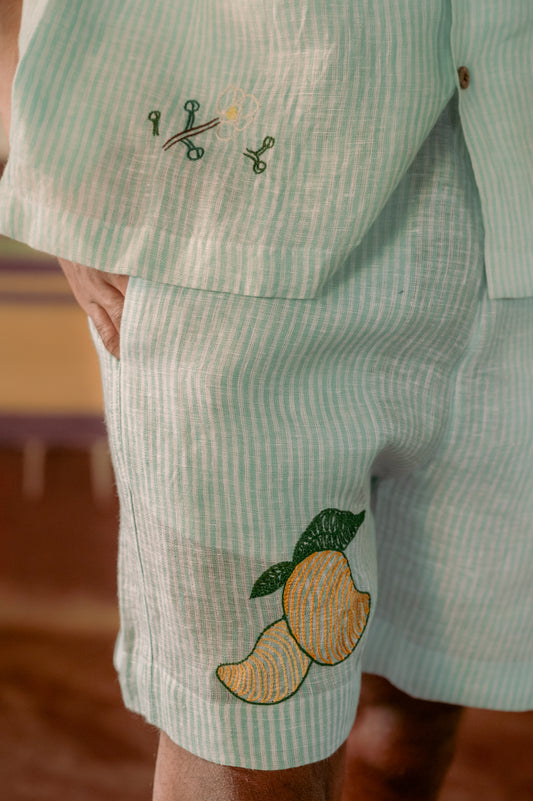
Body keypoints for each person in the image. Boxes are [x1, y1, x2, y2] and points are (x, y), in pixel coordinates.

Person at [1, 2, 532, 799]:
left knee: (413, 715)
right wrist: (55, 148)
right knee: (250, 745)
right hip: (238, 236)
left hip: (504, 222)